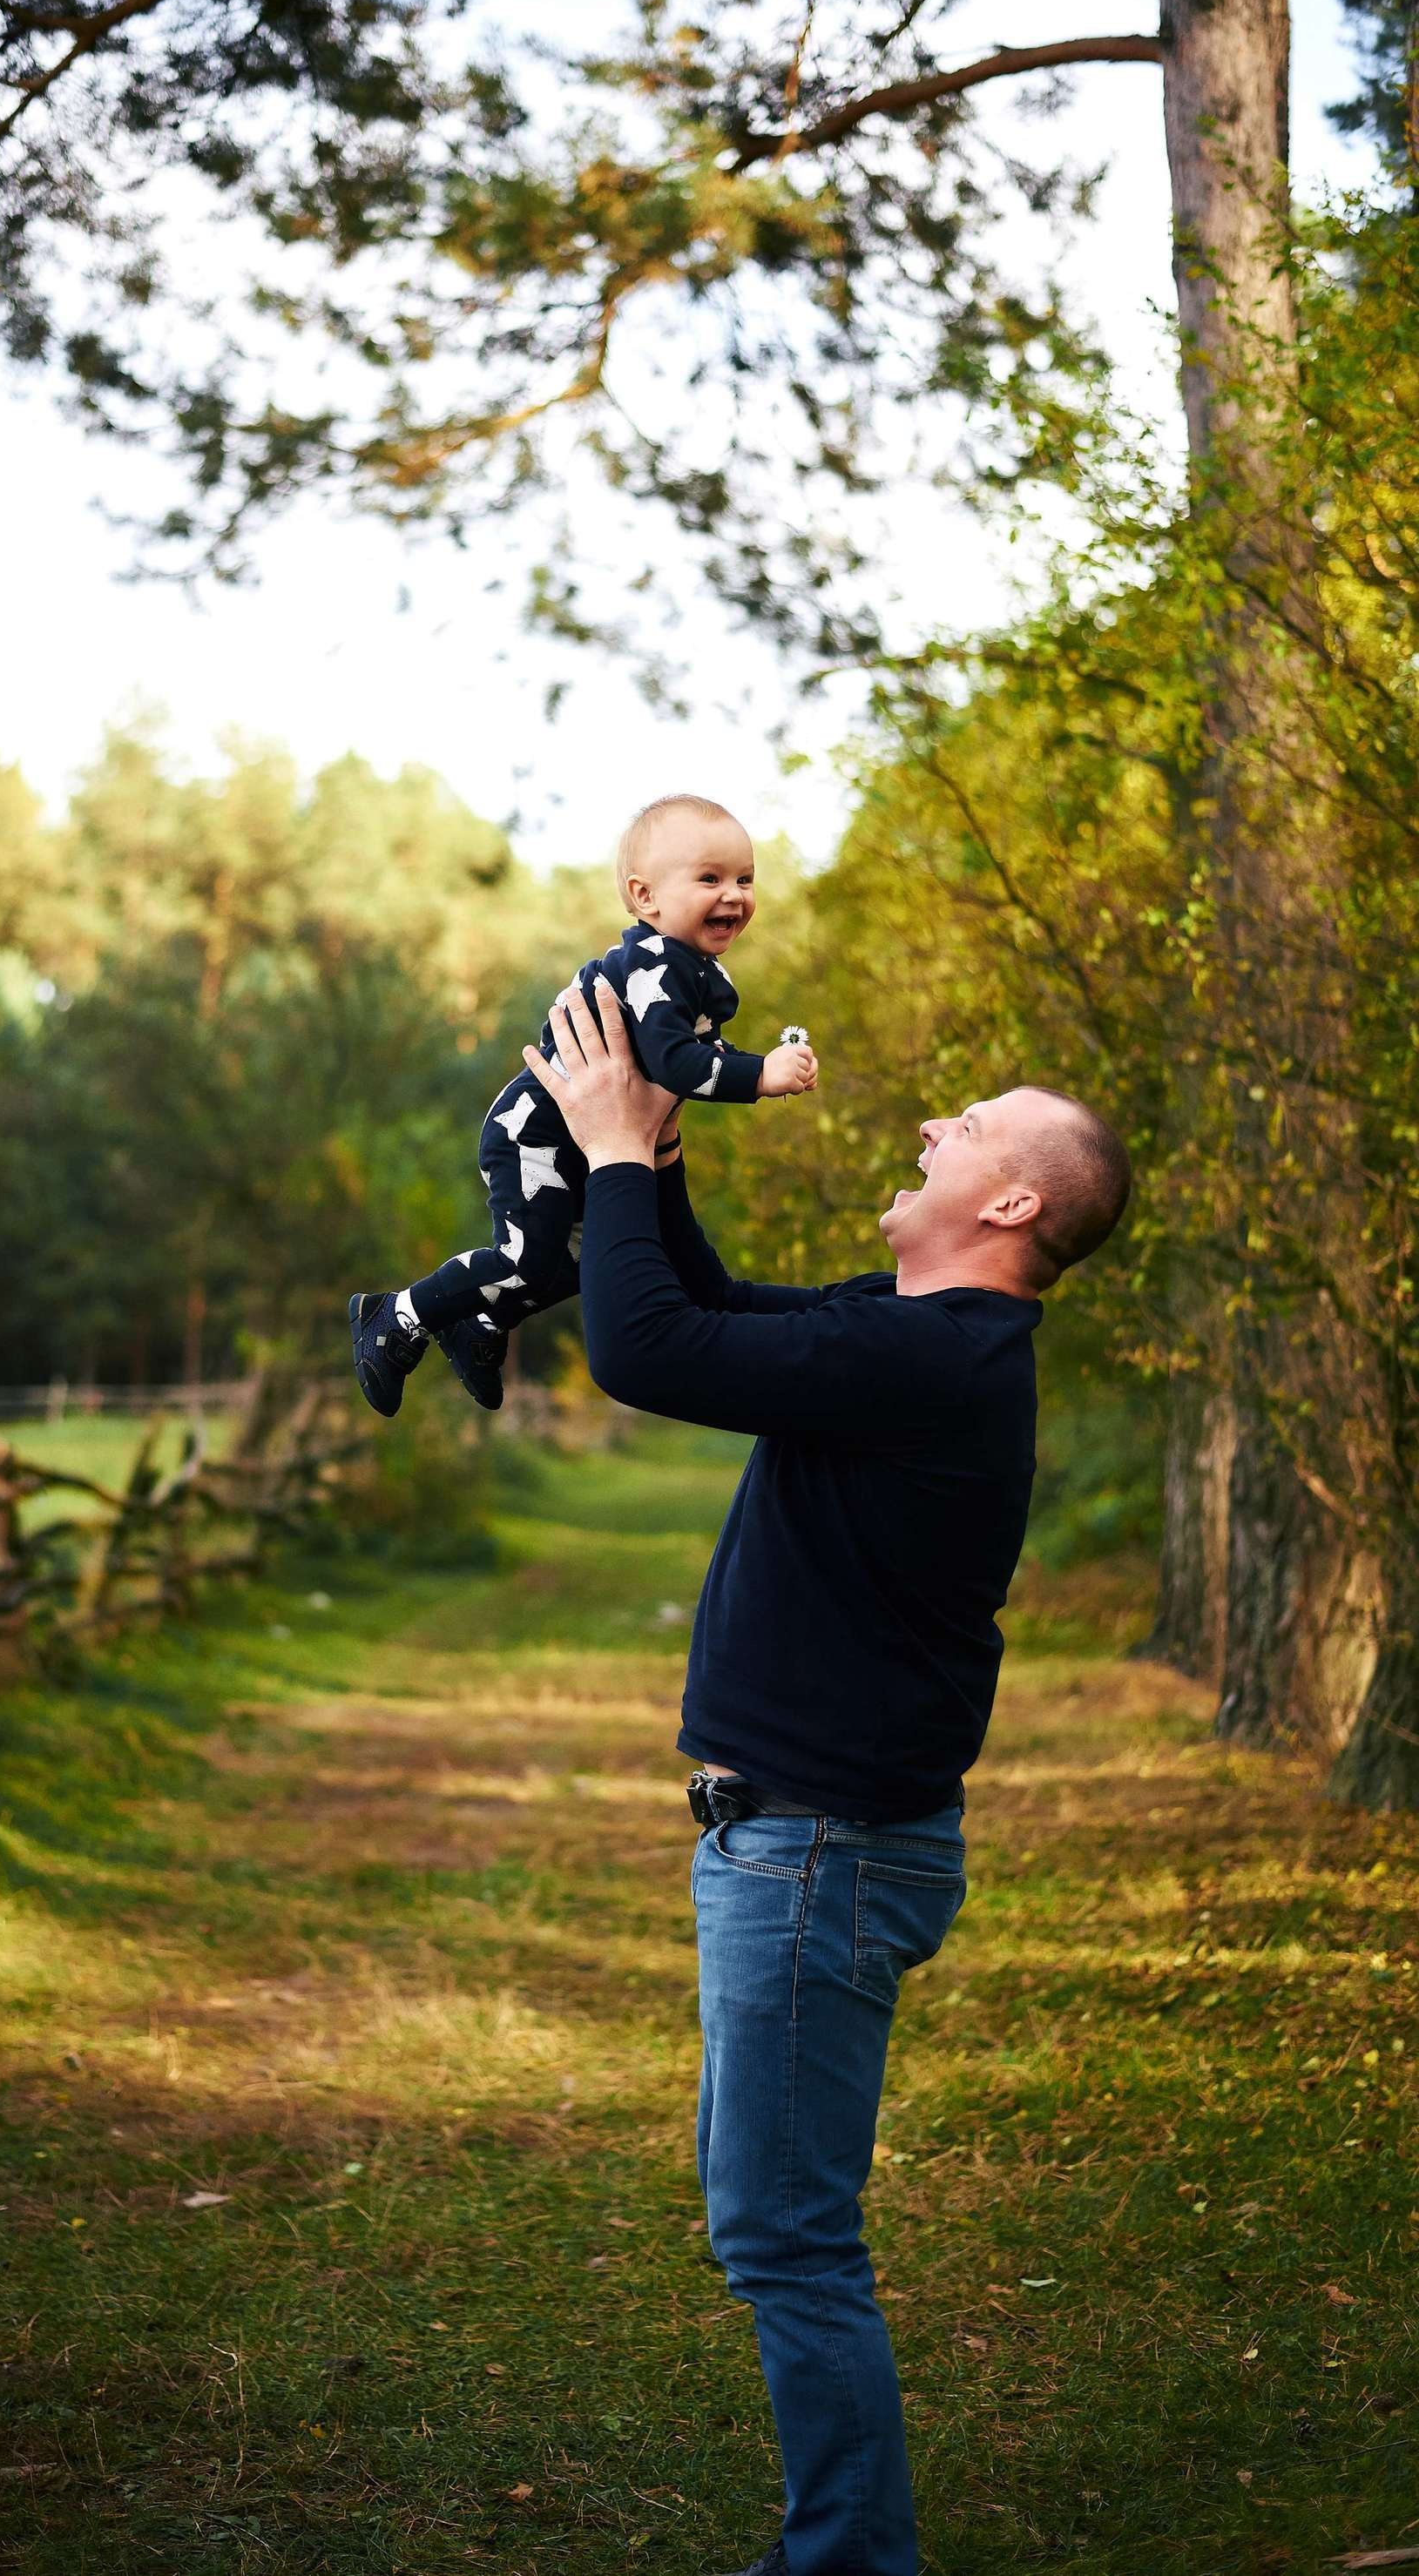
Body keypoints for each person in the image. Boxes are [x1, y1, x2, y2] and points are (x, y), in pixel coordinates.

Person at [519, 976, 1130, 2576]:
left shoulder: (935, 1362)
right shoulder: (916, 1333)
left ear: (1007, 1198)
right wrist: (649, 1147)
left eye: (970, 1125)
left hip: (817, 1856)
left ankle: (855, 2560)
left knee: (788, 2237)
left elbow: (645, 1353)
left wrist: (609, 1157)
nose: (935, 1121)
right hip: (806, 1847)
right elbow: (709, 1315)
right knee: (772, 2223)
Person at [348, 792, 818, 1418]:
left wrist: (741, 1062)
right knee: (524, 1256)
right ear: (645, 896)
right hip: (535, 1136)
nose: (734, 894)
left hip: (586, 1140)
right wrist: (759, 1074)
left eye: (745, 879)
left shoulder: (695, 970)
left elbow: (690, 1051)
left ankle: (482, 1324)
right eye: (710, 878)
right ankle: (396, 1313)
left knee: (585, 1263)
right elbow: (676, 1062)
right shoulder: (654, 963)